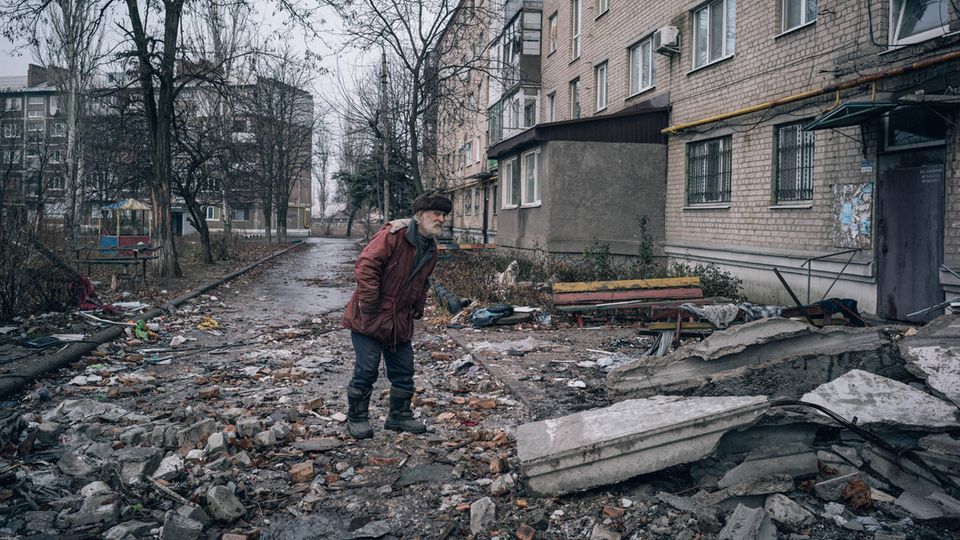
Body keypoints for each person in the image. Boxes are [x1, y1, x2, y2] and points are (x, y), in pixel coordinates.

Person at [340, 192, 452, 439]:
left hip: (399, 319)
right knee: (367, 370)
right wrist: (370, 306)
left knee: (403, 370)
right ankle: (357, 418)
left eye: (444, 215)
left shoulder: (430, 248)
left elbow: (423, 281)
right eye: (437, 214)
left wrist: (418, 306)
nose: (442, 219)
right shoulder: (394, 235)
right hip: (369, 316)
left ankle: (399, 416)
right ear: (420, 215)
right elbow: (366, 267)